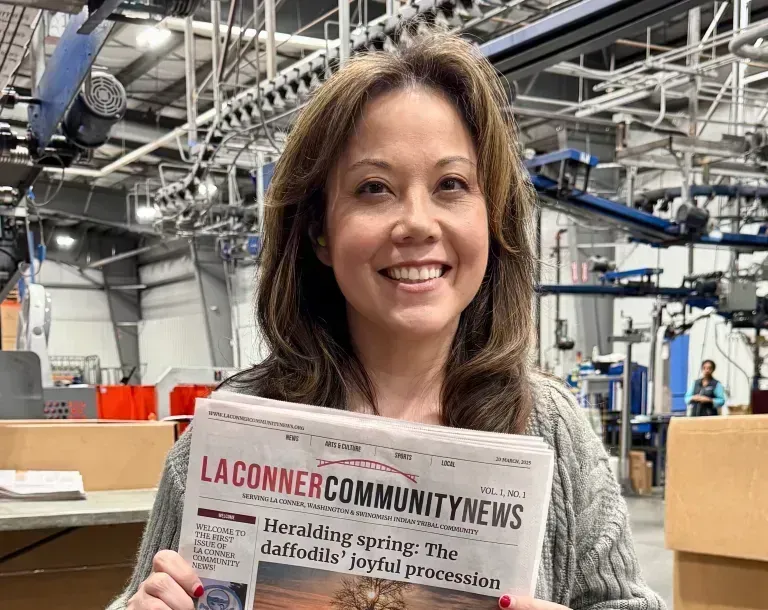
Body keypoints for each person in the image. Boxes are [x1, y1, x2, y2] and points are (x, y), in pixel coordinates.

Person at [112, 31, 663, 610]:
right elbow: (141, 597)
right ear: (320, 232)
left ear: (492, 217)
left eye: (451, 185)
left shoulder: (551, 429)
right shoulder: (232, 435)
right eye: (374, 189)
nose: (417, 223)